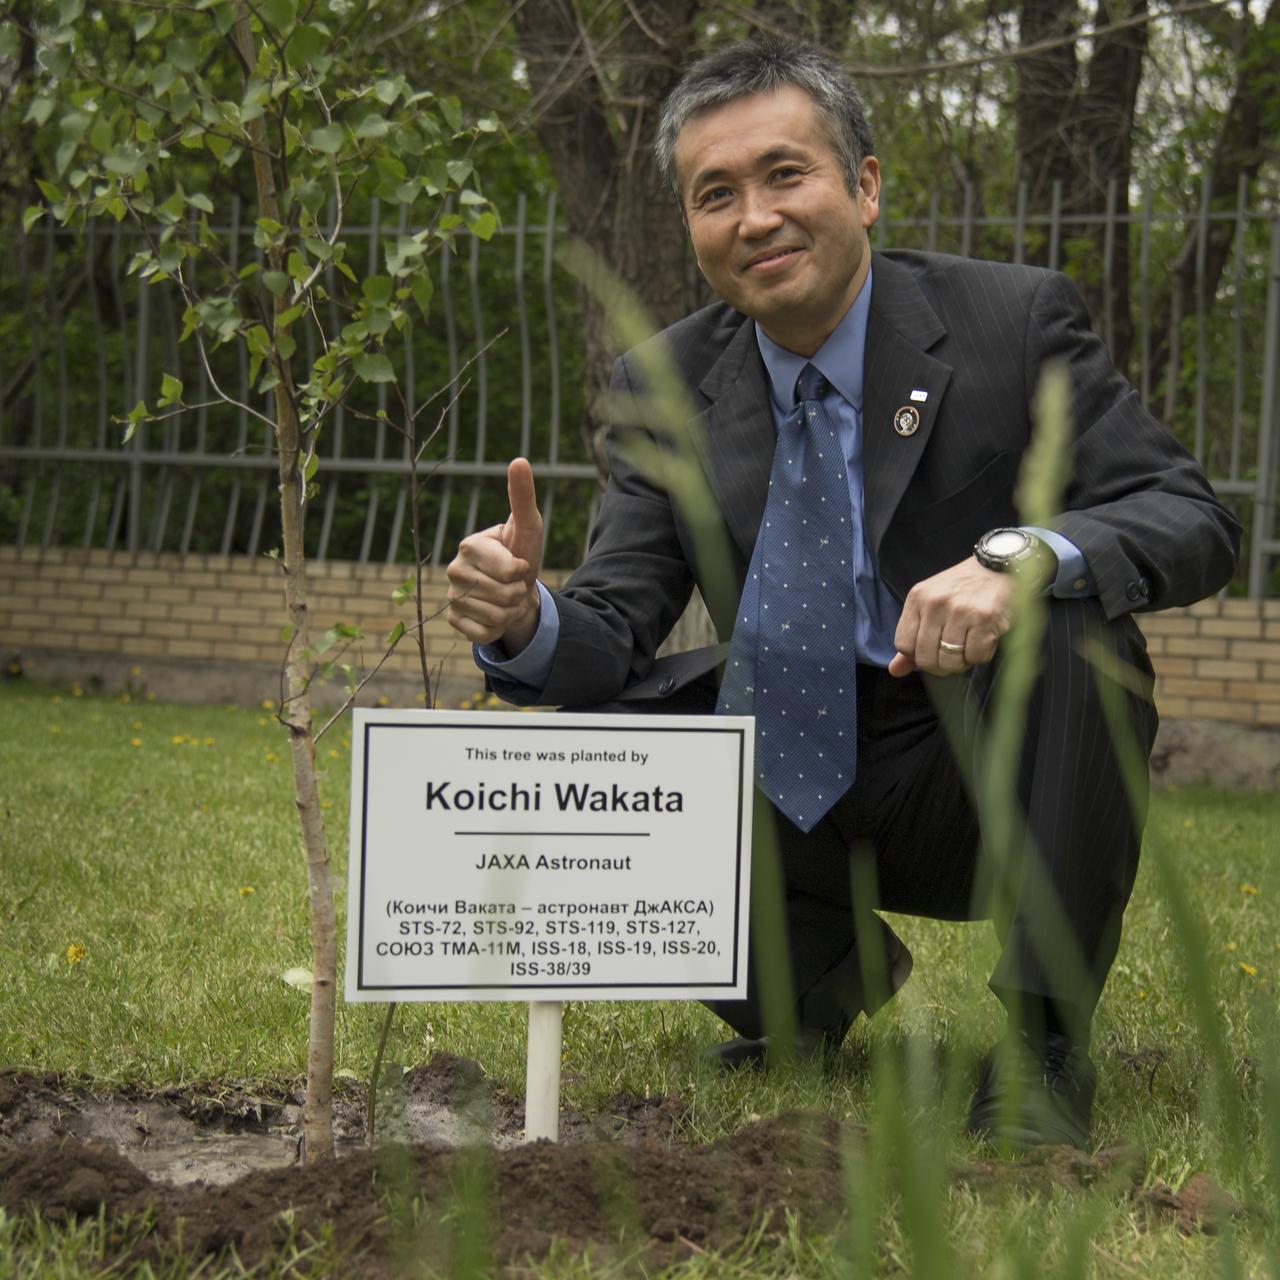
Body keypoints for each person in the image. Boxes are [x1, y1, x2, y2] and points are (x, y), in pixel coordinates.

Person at [446, 38, 1240, 1148]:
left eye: (784, 175)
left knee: (1073, 627)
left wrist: (1020, 557)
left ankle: (1041, 1043)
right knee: (605, 721)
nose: (753, 217)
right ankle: (811, 991)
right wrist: (526, 619)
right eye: (713, 194)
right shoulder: (661, 382)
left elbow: (1189, 515)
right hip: (779, 747)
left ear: (863, 186)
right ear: (689, 225)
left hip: (971, 761)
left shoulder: (1011, 321)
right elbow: (617, 623)